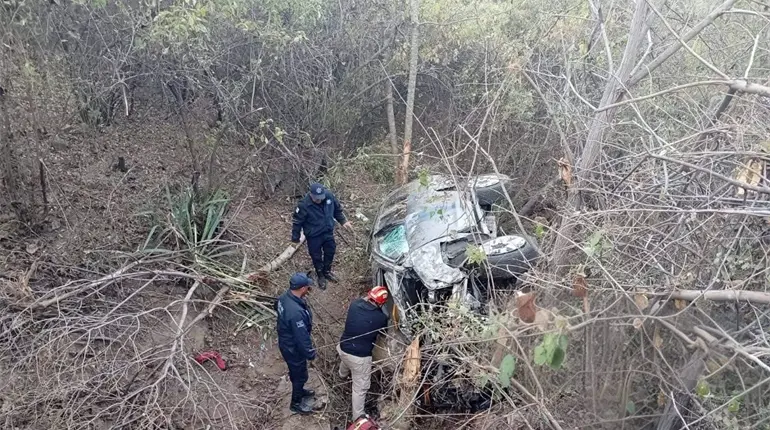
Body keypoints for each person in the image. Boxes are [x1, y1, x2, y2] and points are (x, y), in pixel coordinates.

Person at [337, 286, 390, 421]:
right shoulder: (380, 318)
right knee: (360, 388)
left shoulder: (354, 305)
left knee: (347, 359)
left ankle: (341, 375)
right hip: (359, 358)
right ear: (381, 303)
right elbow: (383, 333)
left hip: (342, 347)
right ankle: (358, 417)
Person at [291, 182, 352, 290]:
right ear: (310, 194)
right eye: (316, 198)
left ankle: (327, 271)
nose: (319, 200)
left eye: (321, 197)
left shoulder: (329, 196)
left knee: (330, 251)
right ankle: (320, 275)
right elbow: (297, 222)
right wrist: (295, 239)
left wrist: (343, 221)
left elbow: (337, 210)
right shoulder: (304, 205)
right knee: (316, 256)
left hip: (327, 231)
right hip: (313, 235)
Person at [276, 273, 317, 415]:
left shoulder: (284, 298)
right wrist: (309, 352)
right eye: (307, 286)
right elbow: (301, 337)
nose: (309, 288)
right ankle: (296, 403)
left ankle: (300, 391)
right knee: (300, 375)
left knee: (297, 373)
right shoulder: (296, 313)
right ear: (303, 288)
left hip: (286, 341)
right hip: (293, 348)